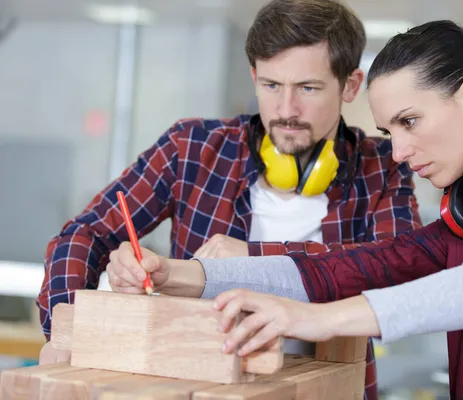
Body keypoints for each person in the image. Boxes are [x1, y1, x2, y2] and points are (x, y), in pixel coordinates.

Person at [106, 20, 463, 400]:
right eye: (389, 132)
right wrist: (181, 274)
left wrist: (317, 320)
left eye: (411, 121)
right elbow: (356, 266)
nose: (399, 152)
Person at [37, 1, 423, 398]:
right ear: (254, 75)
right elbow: (84, 234)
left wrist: (252, 257)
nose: (286, 110)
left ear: (351, 85)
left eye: (308, 88)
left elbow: (399, 272)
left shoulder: (384, 166)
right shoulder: (191, 148)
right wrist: (65, 332)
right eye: (271, 85)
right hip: (201, 386)